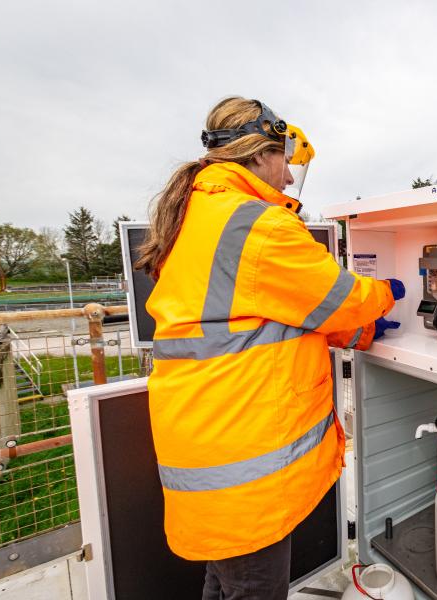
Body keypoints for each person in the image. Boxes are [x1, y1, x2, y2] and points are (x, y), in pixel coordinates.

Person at [135, 96, 404, 599]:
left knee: (224, 581)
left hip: (207, 441)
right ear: (260, 155)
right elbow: (341, 299)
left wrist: (358, 335)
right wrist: (388, 292)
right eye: (285, 161)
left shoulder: (197, 214)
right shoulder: (256, 225)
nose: (286, 178)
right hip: (243, 463)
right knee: (254, 587)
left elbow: (259, 319)